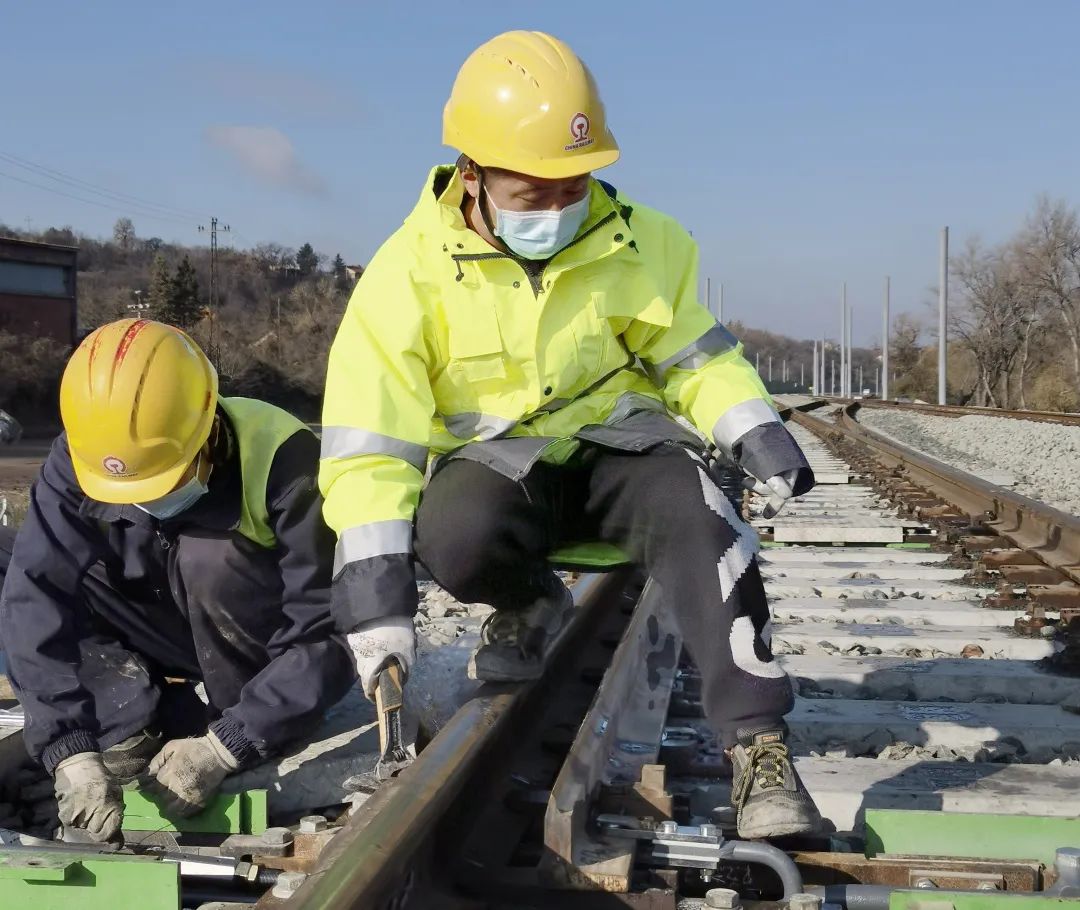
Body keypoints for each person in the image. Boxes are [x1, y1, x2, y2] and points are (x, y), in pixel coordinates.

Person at [320, 31, 820, 838]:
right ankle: (526, 601)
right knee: (453, 534)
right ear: (471, 174)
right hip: (500, 478)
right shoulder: (402, 277)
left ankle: (759, 745)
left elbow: (694, 355)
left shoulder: (645, 242)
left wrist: (752, 427)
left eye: (574, 187)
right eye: (533, 192)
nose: (557, 208)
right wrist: (378, 610)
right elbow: (371, 450)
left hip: (622, 458)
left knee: (705, 516)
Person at [0, 319, 354, 842]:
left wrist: (228, 743)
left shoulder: (284, 459)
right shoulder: (88, 453)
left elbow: (331, 629)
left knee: (210, 554)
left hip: (252, 641)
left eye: (164, 479)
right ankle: (130, 726)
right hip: (158, 621)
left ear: (209, 427)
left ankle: (238, 722)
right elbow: (37, 593)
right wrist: (66, 745)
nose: (144, 501)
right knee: (9, 563)